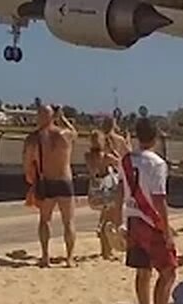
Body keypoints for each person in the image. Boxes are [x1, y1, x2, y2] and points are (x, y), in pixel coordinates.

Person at [122, 117, 178, 304]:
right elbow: (159, 199)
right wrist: (167, 229)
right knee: (168, 270)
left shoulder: (127, 160)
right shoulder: (157, 163)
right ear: (155, 137)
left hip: (133, 218)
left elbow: (122, 190)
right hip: (150, 221)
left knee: (142, 269)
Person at [23, 102, 78, 268]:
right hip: (65, 181)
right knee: (68, 221)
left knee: (45, 221)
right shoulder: (64, 134)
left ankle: (45, 256)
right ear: (53, 116)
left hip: (46, 181)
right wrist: (63, 118)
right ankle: (69, 258)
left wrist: (30, 177)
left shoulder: (33, 138)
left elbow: (27, 162)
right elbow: (75, 133)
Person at [86, 130, 122, 261]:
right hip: (107, 189)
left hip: (95, 189)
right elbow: (120, 162)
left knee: (104, 219)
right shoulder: (106, 157)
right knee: (109, 221)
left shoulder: (88, 156)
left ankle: (105, 250)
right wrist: (112, 148)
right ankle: (106, 251)